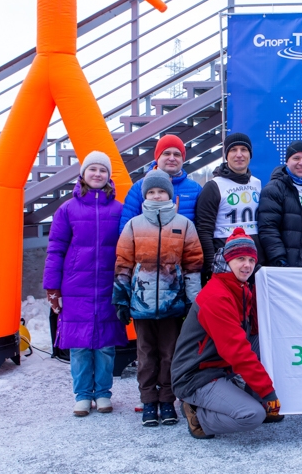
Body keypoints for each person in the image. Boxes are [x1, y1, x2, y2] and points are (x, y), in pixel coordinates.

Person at [171, 228, 283, 439]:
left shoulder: (240, 288)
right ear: (227, 260)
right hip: (195, 375)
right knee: (252, 415)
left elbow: (255, 331)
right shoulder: (217, 296)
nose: (247, 265)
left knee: (265, 341)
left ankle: (249, 397)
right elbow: (236, 350)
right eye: (240, 259)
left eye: (251, 260)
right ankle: (198, 416)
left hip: (219, 367)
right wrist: (268, 392)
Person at [113, 169, 204, 427]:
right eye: (151, 191)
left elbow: (193, 265)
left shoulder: (184, 225)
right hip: (141, 304)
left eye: (161, 191)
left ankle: (167, 400)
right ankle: (148, 401)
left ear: (169, 194)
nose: (156, 195)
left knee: (169, 354)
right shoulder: (134, 225)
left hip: (172, 305)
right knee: (145, 355)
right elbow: (123, 263)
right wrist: (121, 299)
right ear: (145, 195)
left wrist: (193, 301)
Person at [43, 151, 128, 417]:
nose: (97, 174)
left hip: (108, 286)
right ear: (83, 174)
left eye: (103, 170)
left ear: (108, 176)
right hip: (75, 286)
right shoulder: (67, 209)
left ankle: (103, 393)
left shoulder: (119, 210)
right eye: (93, 169)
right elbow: (55, 249)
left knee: (105, 346)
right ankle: (82, 395)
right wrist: (52, 287)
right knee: (79, 346)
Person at [195, 133, 263, 284]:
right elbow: (204, 229)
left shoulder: (257, 183)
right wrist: (211, 265)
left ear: (250, 154)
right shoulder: (214, 186)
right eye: (233, 150)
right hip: (226, 262)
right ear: (226, 155)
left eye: (243, 149)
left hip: (253, 262)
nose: (239, 154)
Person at [257, 140, 302, 267]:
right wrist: (279, 259)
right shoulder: (274, 189)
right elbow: (268, 228)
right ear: (287, 161)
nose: (301, 163)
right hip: (288, 263)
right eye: (296, 158)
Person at [118, 134, 202, 233]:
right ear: (157, 157)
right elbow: (126, 229)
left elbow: (202, 227)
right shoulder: (139, 187)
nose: (172, 158)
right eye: (166, 153)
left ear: (182, 159)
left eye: (177, 154)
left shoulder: (195, 189)